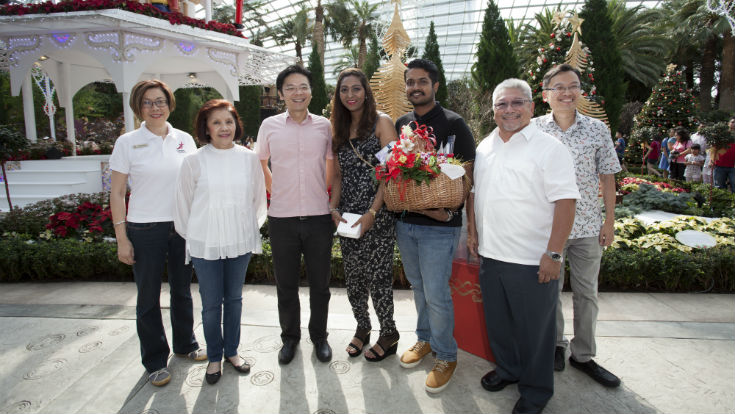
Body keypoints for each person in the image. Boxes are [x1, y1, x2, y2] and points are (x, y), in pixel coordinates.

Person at [467, 78, 579, 414]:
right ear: (493, 109)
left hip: (532, 261)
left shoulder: (549, 148)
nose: (510, 110)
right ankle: (508, 370)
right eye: (502, 104)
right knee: (499, 326)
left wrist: (554, 254)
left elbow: (566, 202)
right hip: (491, 256)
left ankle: (536, 390)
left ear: (532, 106)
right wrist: (473, 234)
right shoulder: (485, 146)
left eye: (517, 103)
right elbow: (475, 194)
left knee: (535, 334)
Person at [109, 79, 204, 387]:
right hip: (144, 228)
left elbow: (195, 183)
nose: (155, 107)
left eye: (160, 101)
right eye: (148, 102)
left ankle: (185, 344)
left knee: (181, 292)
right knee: (148, 297)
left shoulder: (184, 139)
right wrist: (122, 238)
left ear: (169, 104)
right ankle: (154, 360)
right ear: (139, 107)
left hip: (181, 228)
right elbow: (118, 192)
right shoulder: (127, 142)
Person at [534, 64, 622, 388]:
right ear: (546, 95)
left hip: (587, 227)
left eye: (573, 86)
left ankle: (583, 355)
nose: (566, 92)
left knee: (588, 294)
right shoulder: (533, 130)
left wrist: (609, 221)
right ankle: (555, 346)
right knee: (549, 293)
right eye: (559, 87)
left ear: (580, 92)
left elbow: (608, 177)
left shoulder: (597, 130)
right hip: (548, 229)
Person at [394, 58, 476, 393]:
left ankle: (446, 355)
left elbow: (467, 178)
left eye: (422, 81)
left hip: (441, 226)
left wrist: (449, 209)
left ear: (435, 85)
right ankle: (424, 339)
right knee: (418, 287)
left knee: (438, 293)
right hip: (406, 223)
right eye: (410, 82)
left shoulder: (456, 125)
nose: (416, 87)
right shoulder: (402, 124)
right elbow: (392, 169)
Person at [174, 99, 267, 385]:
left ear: (236, 124)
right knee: (211, 305)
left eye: (228, 121)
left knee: (235, 300)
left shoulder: (248, 158)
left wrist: (250, 229)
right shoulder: (192, 161)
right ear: (206, 127)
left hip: (239, 240)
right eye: (216, 122)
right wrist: (196, 238)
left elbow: (258, 199)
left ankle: (232, 352)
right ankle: (214, 356)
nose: (223, 127)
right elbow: (182, 206)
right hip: (206, 243)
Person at [256, 65, 334, 365]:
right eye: (290, 87)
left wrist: (321, 191)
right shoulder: (270, 126)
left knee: (320, 285)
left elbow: (330, 165)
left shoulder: (324, 126)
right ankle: (290, 339)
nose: (297, 92)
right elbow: (260, 162)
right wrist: (274, 190)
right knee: (285, 284)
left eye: (302, 86)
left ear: (311, 91)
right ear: (281, 94)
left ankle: (320, 337)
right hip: (282, 219)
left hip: (318, 217)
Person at [327, 68, 400, 361]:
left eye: (356, 89)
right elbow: (339, 177)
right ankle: (363, 327)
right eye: (344, 90)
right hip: (348, 219)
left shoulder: (382, 123)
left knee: (379, 277)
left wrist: (372, 212)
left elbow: (392, 173)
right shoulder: (339, 128)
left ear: (366, 91)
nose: (350, 95)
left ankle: (389, 332)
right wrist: (334, 208)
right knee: (354, 278)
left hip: (378, 216)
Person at [713, 117, 735, 192]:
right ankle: (721, 203)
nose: (733, 124)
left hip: (733, 166)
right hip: (720, 164)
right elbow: (713, 148)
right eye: (732, 122)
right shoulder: (722, 135)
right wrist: (711, 160)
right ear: (728, 123)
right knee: (719, 187)